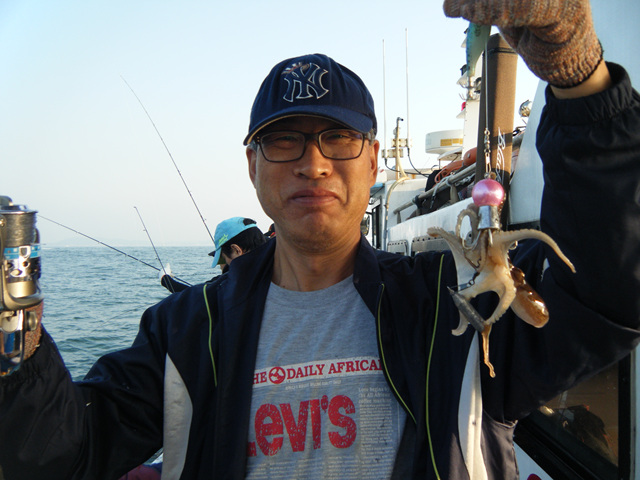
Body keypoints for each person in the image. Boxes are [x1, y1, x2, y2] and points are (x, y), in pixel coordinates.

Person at [1, 1, 639, 478]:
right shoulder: (185, 333)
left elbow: (607, 292)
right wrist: (14, 320)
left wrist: (580, 82)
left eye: (339, 139)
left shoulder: (458, 308)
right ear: (252, 166)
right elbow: (65, 454)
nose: (313, 164)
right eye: (285, 141)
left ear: (371, 162)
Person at [159, 216, 267, 293]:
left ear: (236, 250)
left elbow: (198, 297)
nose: (221, 266)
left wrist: (165, 279)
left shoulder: (232, 284)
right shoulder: (271, 269)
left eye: (222, 259)